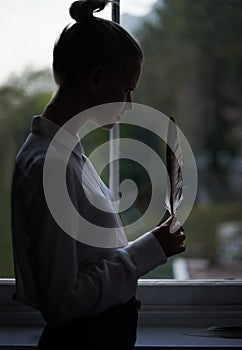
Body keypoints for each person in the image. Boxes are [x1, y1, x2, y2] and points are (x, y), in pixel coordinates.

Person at [11, 1, 186, 349]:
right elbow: (61, 304)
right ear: (95, 78)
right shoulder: (50, 166)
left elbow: (91, 259)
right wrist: (149, 250)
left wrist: (148, 246)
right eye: (127, 88)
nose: (130, 103)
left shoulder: (65, 152)